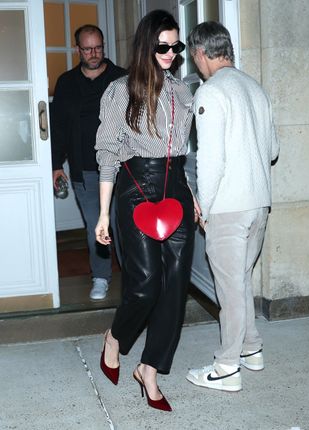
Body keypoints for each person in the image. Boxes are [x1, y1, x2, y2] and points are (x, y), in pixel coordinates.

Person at [95, 10, 200, 411]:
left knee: (175, 287)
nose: (171, 52)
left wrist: (191, 193)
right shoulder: (121, 91)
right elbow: (107, 154)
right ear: (146, 46)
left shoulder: (182, 92)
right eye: (163, 46)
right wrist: (103, 214)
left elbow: (180, 155)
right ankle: (115, 338)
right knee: (145, 285)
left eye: (177, 46)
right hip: (137, 189)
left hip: (176, 190)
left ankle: (150, 368)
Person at [186, 21, 279, 392]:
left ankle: (226, 367)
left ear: (200, 53)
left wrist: (204, 207)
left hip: (228, 206)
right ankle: (251, 349)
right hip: (259, 203)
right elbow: (272, 150)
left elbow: (210, 161)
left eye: (193, 57)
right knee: (240, 280)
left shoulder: (210, 93)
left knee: (229, 290)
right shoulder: (255, 88)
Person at [50, 24, 126, 300]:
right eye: (88, 49)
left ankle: (133, 278)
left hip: (121, 168)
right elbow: (57, 127)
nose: (94, 54)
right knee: (97, 224)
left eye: (98, 48)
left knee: (122, 225)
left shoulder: (121, 79)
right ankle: (101, 277)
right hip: (84, 168)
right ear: (77, 50)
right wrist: (56, 165)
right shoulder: (66, 82)